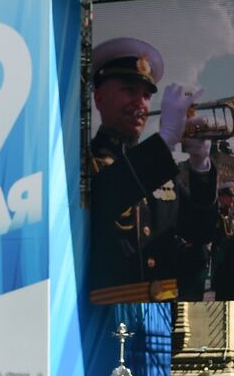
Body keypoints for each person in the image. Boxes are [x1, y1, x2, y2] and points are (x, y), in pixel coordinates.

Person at [87, 37, 216, 304]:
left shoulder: (160, 171)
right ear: (99, 98)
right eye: (129, 90)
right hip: (109, 314)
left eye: (146, 95)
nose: (141, 104)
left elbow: (200, 231)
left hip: (165, 310)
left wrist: (200, 166)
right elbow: (105, 195)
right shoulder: (82, 160)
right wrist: (166, 139)